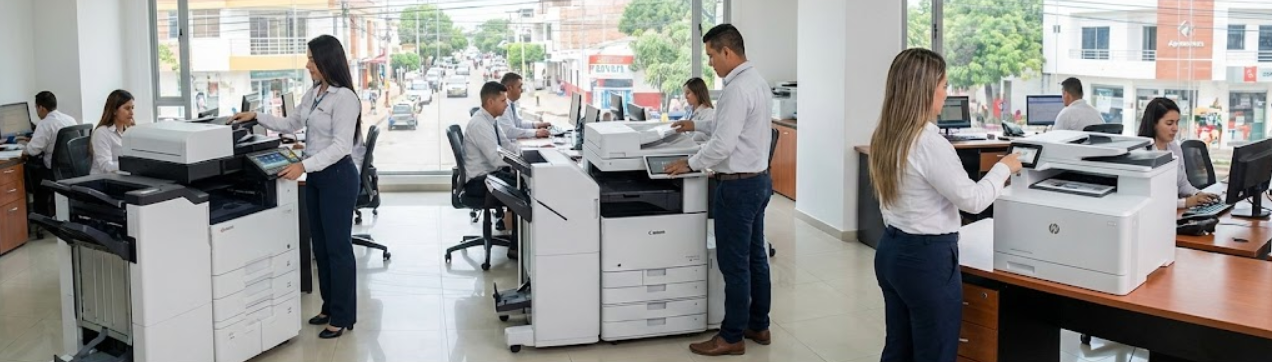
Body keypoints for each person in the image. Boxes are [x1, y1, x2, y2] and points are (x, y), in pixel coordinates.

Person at [869, 48, 1022, 362]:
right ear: (925, 91)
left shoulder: (886, 134)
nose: (946, 93)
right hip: (926, 260)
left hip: (891, 252)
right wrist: (1005, 166)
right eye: (943, 86)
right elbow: (974, 200)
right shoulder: (929, 143)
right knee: (935, 353)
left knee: (898, 348)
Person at [232, 35, 363, 339]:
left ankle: (343, 317)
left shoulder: (345, 98)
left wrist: (303, 165)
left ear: (327, 61)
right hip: (318, 177)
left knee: (338, 248)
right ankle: (329, 306)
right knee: (322, 246)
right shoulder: (316, 93)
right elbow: (291, 123)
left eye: (312, 60)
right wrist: (256, 116)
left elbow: (341, 147)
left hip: (338, 178)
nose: (307, 65)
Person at [665, 24, 772, 357]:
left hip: (736, 188)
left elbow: (723, 144)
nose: (710, 62)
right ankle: (759, 324)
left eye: (712, 55)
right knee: (756, 258)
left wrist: (690, 162)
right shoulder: (755, 82)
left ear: (727, 51)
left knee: (735, 264)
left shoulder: (737, 89)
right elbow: (730, 125)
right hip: (757, 181)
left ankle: (731, 335)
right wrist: (695, 124)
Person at [462, 82, 520, 246]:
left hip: (487, 176)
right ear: (490, 102)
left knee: (522, 182)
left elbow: (507, 145)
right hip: (479, 183)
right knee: (524, 189)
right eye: (502, 101)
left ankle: (516, 238)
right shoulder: (480, 124)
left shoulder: (490, 121)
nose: (506, 104)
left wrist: (525, 155)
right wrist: (521, 165)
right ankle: (516, 245)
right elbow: (496, 160)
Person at [1136, 97, 1218, 209]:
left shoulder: (1174, 147)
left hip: (1174, 212)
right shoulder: (1141, 154)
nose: (1175, 128)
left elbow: (1183, 185)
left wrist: (1198, 194)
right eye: (1169, 123)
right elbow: (1153, 200)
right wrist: (1187, 202)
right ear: (1154, 124)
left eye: (1177, 123)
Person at [25, 91, 78, 170]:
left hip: (55, 169)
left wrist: (19, 151)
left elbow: (32, 151)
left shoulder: (44, 123)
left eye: (36, 107)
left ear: (41, 108)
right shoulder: (70, 119)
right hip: (72, 166)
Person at [89, 90, 136, 175]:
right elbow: (106, 166)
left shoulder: (128, 132)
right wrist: (132, 165)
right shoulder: (101, 133)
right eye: (127, 108)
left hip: (124, 177)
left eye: (132, 108)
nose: (132, 113)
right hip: (104, 181)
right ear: (114, 110)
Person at [498, 72, 550, 140]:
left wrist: (536, 125)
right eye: (519, 87)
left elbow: (518, 123)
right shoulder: (502, 106)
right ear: (509, 88)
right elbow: (509, 132)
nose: (522, 90)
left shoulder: (510, 104)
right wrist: (535, 133)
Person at [683, 77, 716, 142]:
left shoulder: (708, 113)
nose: (685, 97)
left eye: (688, 93)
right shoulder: (690, 112)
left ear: (697, 93)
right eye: (685, 93)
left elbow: (700, 136)